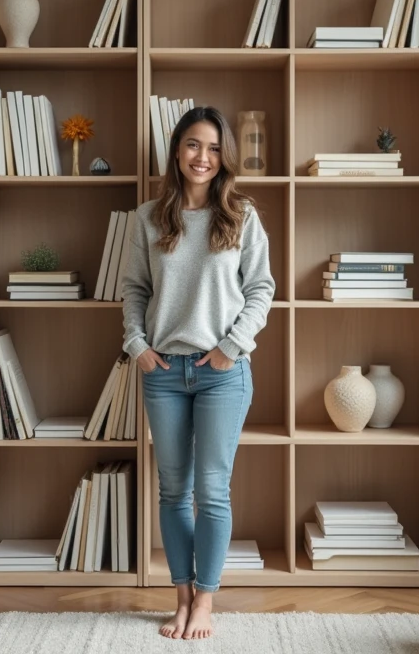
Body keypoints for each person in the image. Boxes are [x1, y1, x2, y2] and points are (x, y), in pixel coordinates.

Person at [120, 105, 276, 640]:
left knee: (212, 491)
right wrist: (137, 345)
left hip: (222, 372)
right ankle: (182, 598)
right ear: (176, 150)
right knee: (172, 491)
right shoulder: (148, 217)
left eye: (212, 148)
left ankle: (206, 601)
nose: (202, 157)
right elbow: (135, 289)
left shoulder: (241, 215)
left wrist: (233, 346)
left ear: (224, 156)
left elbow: (261, 289)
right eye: (192, 144)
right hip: (162, 371)